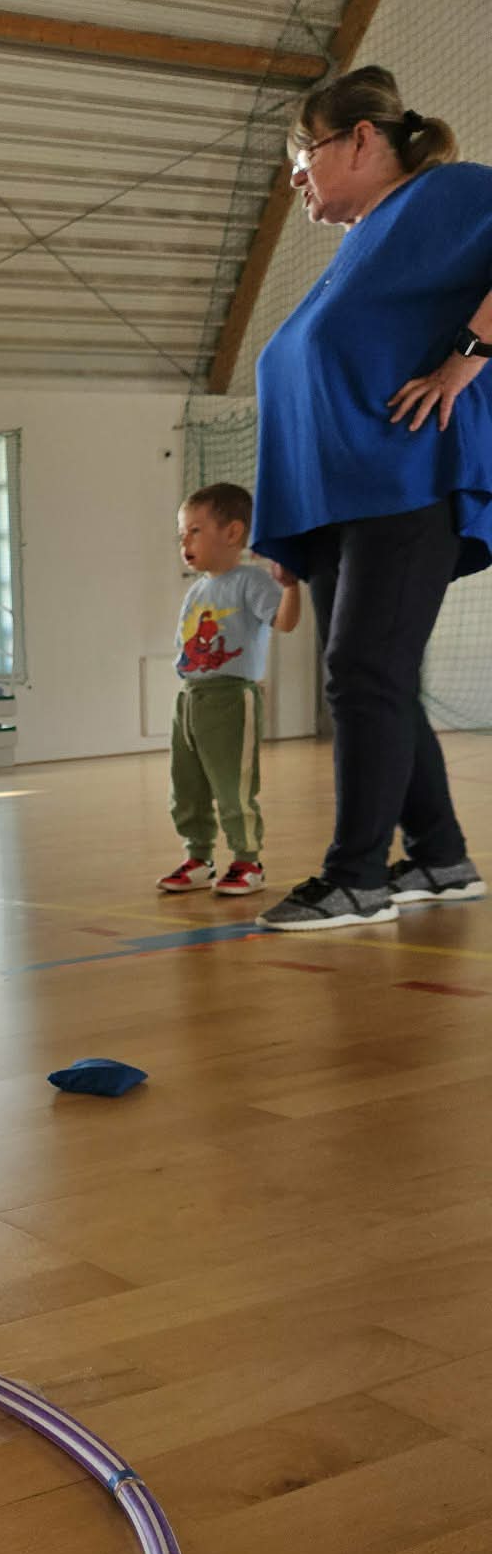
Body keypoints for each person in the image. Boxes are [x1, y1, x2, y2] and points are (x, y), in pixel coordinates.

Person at [252, 65, 490, 931]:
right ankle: (440, 857)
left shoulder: (447, 193)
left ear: (361, 139)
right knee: (372, 676)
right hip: (337, 495)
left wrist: (468, 357)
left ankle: (356, 878)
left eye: (303, 157)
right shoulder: (365, 239)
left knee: (362, 673)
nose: (297, 180)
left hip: (405, 477)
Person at [158, 483, 301, 898]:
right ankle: (198, 857)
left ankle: (247, 860)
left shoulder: (250, 581)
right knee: (187, 786)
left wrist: (291, 587)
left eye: (194, 531)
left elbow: (285, 622)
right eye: (182, 534)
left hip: (230, 698)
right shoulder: (197, 589)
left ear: (233, 533)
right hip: (190, 699)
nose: (185, 542)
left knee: (232, 786)